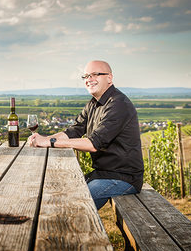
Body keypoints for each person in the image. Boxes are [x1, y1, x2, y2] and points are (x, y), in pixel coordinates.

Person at [28, 60, 143, 209]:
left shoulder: (118, 104)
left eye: (95, 74)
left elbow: (94, 144)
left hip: (122, 178)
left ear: (109, 78)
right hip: (102, 174)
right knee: (57, 195)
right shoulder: (94, 103)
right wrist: (43, 139)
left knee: (73, 206)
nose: (89, 79)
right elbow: (73, 131)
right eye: (86, 76)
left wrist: (51, 142)